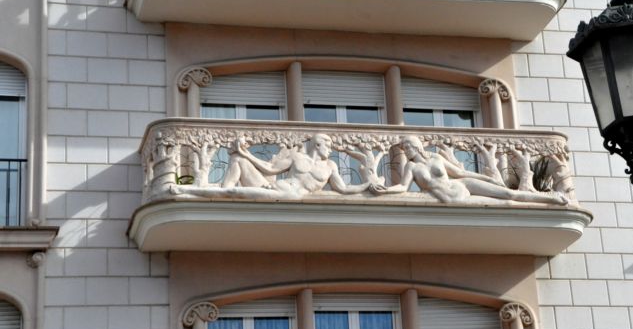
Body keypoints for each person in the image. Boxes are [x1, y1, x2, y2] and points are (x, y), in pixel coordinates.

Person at [369, 135, 568, 205]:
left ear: (417, 146)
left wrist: (488, 179)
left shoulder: (436, 157)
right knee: (506, 201)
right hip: (448, 198)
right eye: (404, 149)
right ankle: (549, 198)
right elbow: (403, 187)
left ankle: (551, 198)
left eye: (408, 147)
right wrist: (385, 190)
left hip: (460, 185)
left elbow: (461, 173)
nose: (406, 151)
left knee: (508, 194)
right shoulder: (412, 167)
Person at [171, 133, 370, 200]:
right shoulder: (297, 158)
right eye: (328, 145)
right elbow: (269, 169)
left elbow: (343, 188)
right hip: (273, 186)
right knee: (238, 161)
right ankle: (212, 191)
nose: (331, 149)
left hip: (289, 195)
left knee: (235, 191)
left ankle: (185, 190)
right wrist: (247, 154)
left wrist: (366, 185)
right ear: (318, 144)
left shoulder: (330, 166)